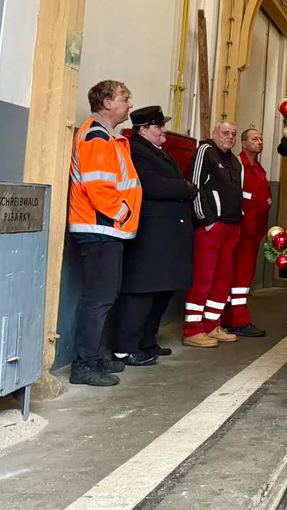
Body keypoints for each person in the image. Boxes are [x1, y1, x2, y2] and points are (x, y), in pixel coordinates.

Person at [68, 80, 142, 386]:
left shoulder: (106, 137)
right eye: (125, 98)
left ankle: (94, 357)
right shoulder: (97, 137)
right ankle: (84, 365)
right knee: (99, 299)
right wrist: (123, 213)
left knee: (103, 297)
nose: (129, 104)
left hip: (107, 229)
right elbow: (99, 187)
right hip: (101, 227)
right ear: (107, 103)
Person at [114, 106, 198, 366]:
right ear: (143, 129)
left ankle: (147, 340)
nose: (164, 130)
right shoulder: (136, 150)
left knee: (162, 290)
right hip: (152, 234)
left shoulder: (157, 151)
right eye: (158, 126)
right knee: (142, 290)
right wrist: (185, 187)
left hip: (167, 234)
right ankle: (125, 347)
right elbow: (150, 184)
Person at [185, 120, 243, 347]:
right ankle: (193, 329)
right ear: (214, 133)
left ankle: (211, 324)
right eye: (225, 132)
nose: (230, 137)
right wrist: (206, 220)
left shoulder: (234, 161)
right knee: (203, 277)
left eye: (233, 133)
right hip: (212, 227)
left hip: (231, 227)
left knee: (223, 279)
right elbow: (195, 186)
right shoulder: (205, 152)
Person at [221, 129, 271, 338]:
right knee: (239, 277)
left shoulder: (258, 168)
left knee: (244, 276)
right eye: (254, 139)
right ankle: (236, 320)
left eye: (261, 138)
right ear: (243, 143)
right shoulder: (239, 166)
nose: (259, 142)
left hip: (254, 233)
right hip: (242, 231)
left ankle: (233, 318)